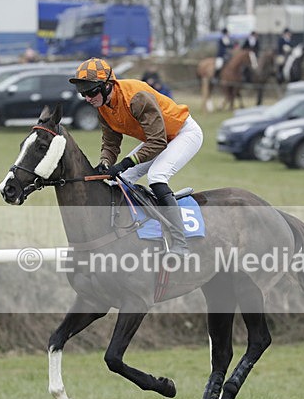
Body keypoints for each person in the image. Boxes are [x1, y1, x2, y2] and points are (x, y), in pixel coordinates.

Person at [69, 58, 204, 256]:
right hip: (158, 137)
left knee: (157, 177)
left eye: (90, 92)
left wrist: (125, 163)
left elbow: (157, 142)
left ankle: (179, 242)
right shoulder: (102, 107)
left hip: (184, 133)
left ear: (107, 86)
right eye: (83, 93)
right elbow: (111, 143)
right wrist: (106, 163)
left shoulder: (137, 97)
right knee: (117, 183)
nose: (87, 98)